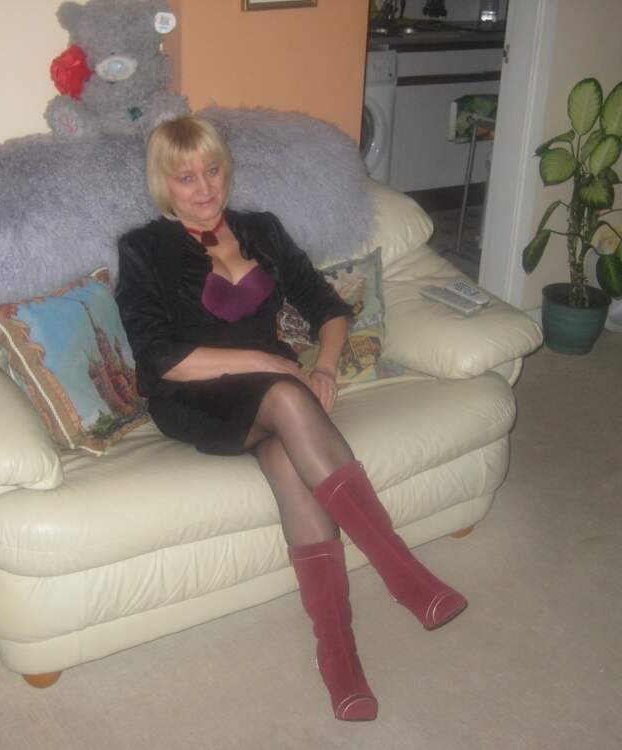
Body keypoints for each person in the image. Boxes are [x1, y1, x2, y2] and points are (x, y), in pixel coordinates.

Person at [115, 115, 467, 722]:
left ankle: (337, 654)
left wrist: (324, 367)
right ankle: (404, 574)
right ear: (162, 184)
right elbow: (159, 358)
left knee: (287, 458)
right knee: (283, 393)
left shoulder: (262, 230)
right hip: (192, 394)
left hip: (272, 391)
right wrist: (266, 361)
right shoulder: (143, 248)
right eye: (186, 178)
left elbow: (327, 306)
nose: (204, 188)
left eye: (213, 170)